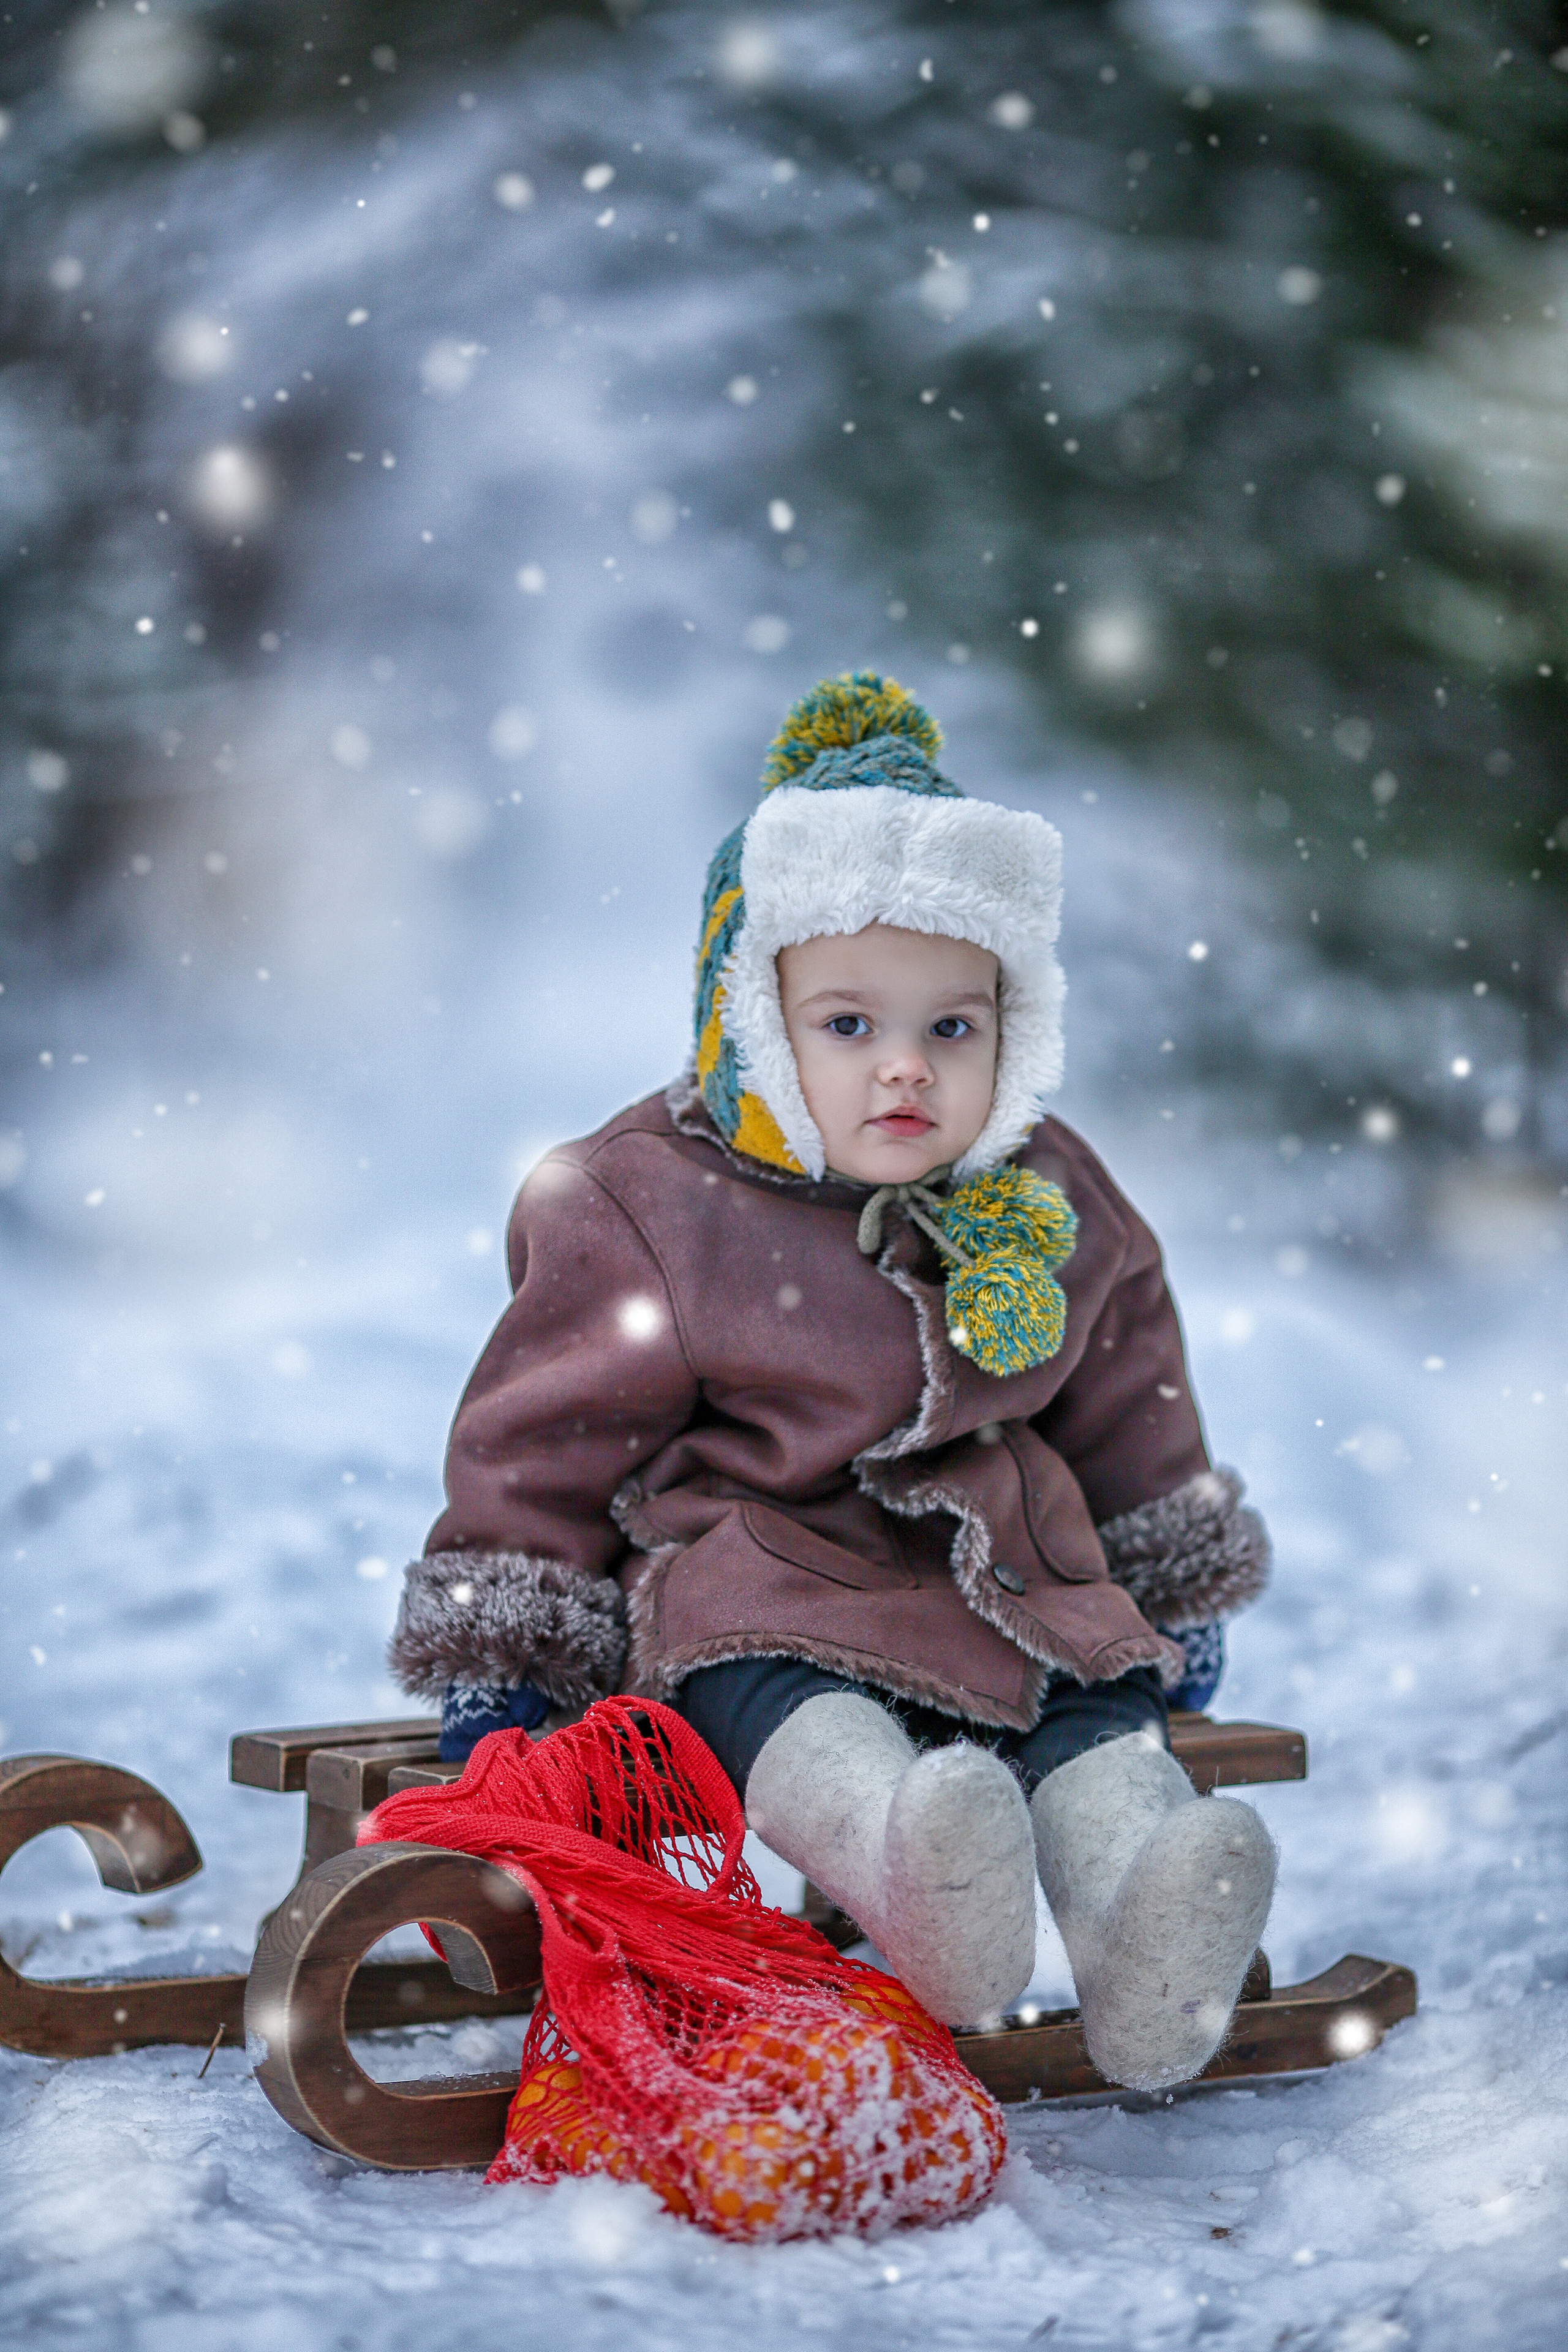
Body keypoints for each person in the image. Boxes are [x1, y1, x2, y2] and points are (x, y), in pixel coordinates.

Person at [388, 673, 1276, 2091]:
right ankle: (908, 1866)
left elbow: (1125, 1393)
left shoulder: (1048, 1193)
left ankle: (1141, 1920)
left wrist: (1162, 1584)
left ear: (1013, 1030)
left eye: (952, 1029)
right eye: (848, 1026)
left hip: (1009, 1573)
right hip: (761, 1577)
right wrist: (508, 1655)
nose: (906, 1073)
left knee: (1099, 1703)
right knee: (782, 1698)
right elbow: (540, 1439)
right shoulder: (650, 1199)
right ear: (753, 1020)